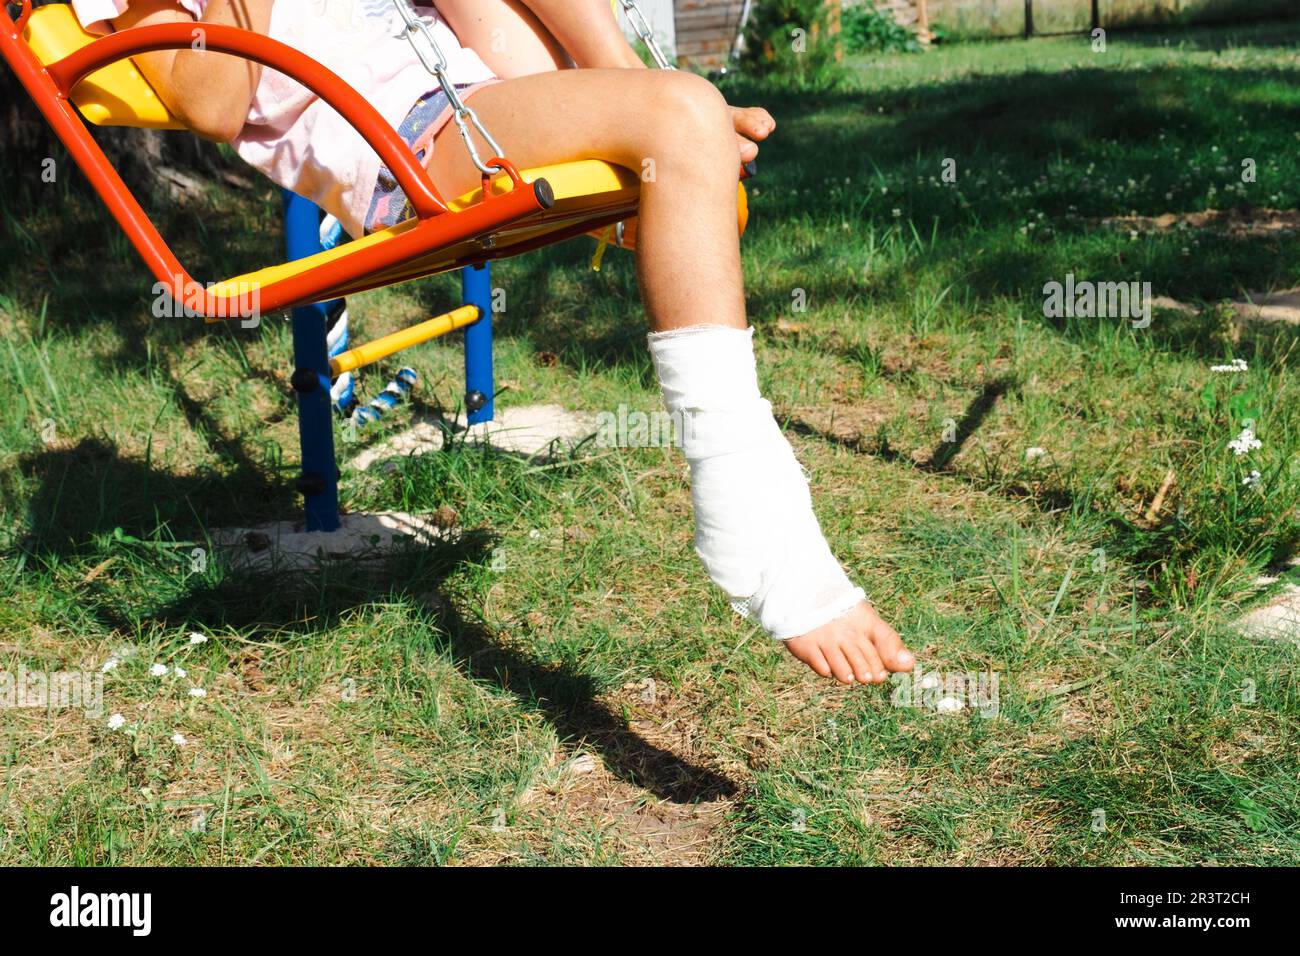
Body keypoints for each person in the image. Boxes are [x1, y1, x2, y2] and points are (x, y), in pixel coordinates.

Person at [83, 0, 915, 685]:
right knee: (685, 115)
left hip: (476, 81)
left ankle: (647, 101)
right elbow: (216, 101)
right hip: (409, 142)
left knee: (677, 114)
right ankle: (757, 521)